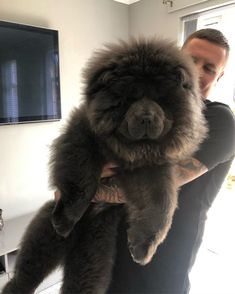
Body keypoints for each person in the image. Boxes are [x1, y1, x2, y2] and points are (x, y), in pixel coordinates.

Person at [55, 28, 235, 293]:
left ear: (220, 75)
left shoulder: (220, 122)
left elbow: (150, 188)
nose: (197, 72)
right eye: (191, 60)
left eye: (209, 67)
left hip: (162, 264)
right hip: (105, 251)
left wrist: (77, 191)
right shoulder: (141, 107)